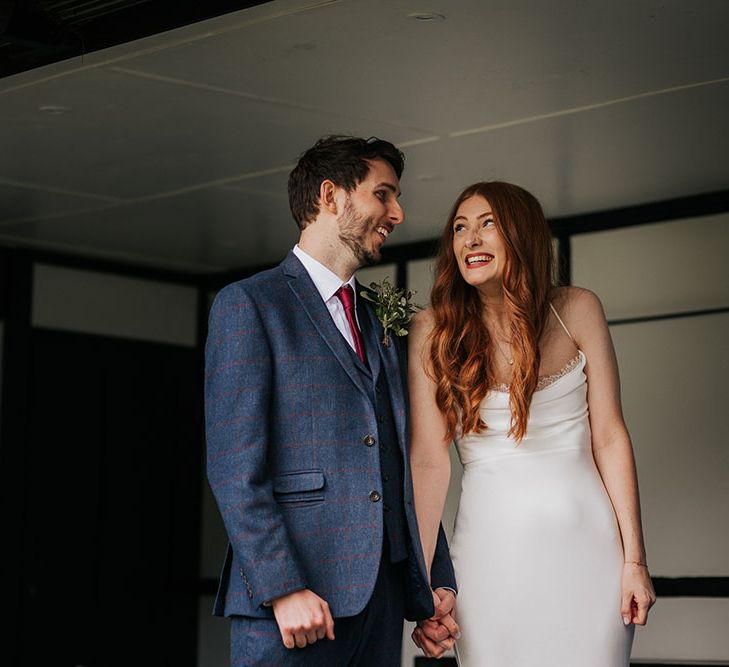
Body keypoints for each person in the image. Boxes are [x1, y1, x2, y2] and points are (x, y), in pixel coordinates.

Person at [205, 135, 459, 666]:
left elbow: (402, 460)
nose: (397, 212)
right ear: (331, 195)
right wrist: (281, 586)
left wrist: (434, 581)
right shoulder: (250, 304)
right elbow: (235, 468)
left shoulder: (378, 318)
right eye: (383, 194)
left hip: (383, 601)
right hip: (296, 606)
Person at [408, 181, 656, 665]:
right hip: (488, 560)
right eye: (460, 228)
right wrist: (423, 588)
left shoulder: (578, 309)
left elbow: (610, 435)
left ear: (522, 235)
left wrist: (635, 561)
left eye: (487, 225)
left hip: (592, 556)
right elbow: (427, 461)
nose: (470, 240)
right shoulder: (430, 331)